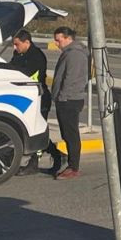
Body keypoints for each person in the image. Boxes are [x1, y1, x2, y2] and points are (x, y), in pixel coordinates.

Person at [8, 28, 61, 174]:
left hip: (39, 98)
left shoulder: (36, 56)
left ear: (27, 42)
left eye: (17, 44)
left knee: (36, 130)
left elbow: (24, 74)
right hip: (25, 98)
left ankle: (34, 163)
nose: (15, 47)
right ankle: (57, 154)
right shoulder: (18, 54)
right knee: (32, 131)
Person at [51, 25, 90, 179]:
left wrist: (62, 97)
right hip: (66, 99)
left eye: (58, 40)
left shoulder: (75, 54)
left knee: (71, 134)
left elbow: (71, 79)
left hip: (70, 100)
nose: (56, 43)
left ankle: (74, 167)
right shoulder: (70, 53)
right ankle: (71, 163)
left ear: (68, 39)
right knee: (67, 134)